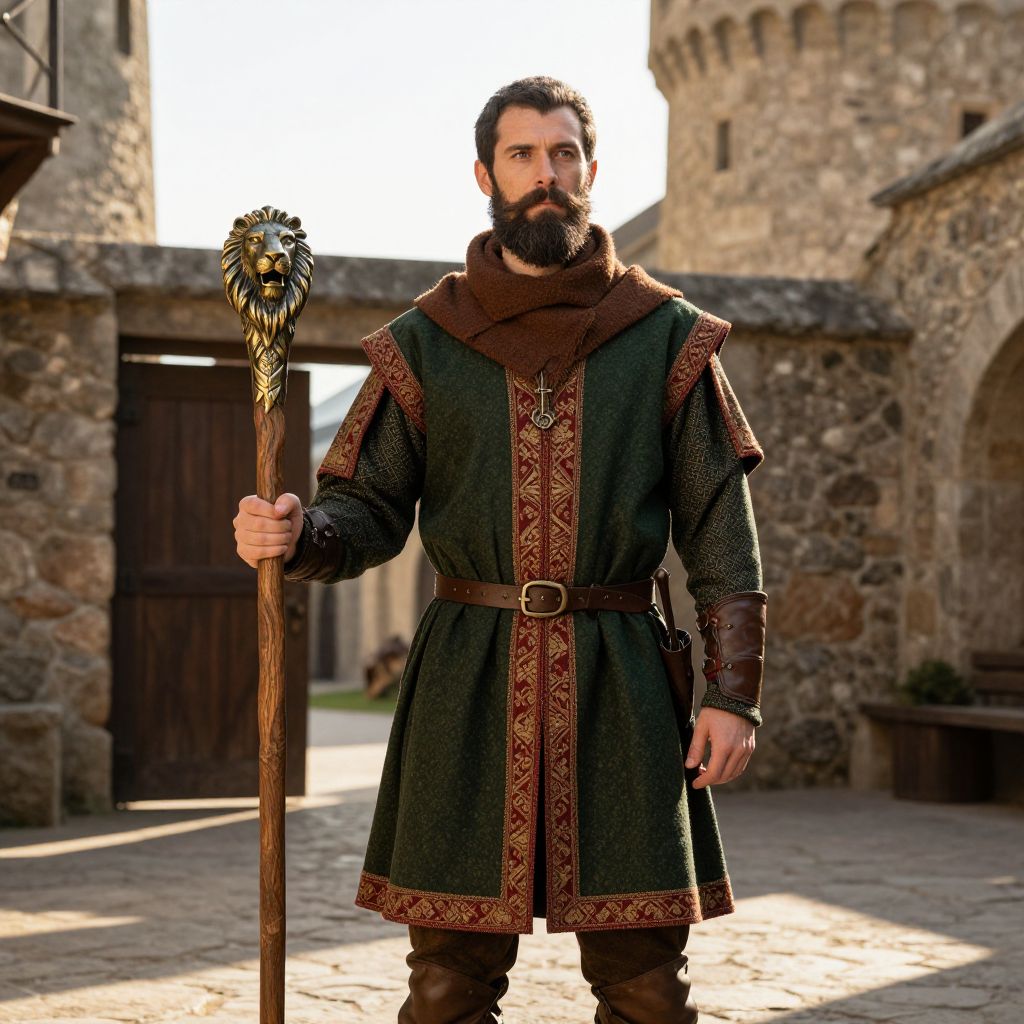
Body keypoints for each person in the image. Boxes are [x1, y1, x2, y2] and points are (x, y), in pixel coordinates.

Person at [233, 76, 767, 1024]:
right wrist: (301, 534)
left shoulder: (668, 338)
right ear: (485, 173)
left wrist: (732, 696)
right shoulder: (427, 343)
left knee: (647, 985)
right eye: (522, 156)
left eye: (563, 156)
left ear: (591, 172)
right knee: (446, 985)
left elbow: (720, 529)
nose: (545, 177)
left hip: (624, 682)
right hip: (467, 684)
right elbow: (364, 508)